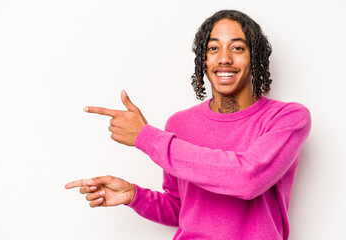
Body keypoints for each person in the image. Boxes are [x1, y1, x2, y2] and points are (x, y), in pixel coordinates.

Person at [65, 10, 311, 240]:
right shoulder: (179, 124)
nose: (224, 59)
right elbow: (181, 209)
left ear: (254, 56)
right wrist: (134, 195)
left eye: (237, 47)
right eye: (213, 48)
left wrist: (147, 137)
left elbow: (247, 179)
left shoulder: (287, 118)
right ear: (203, 59)